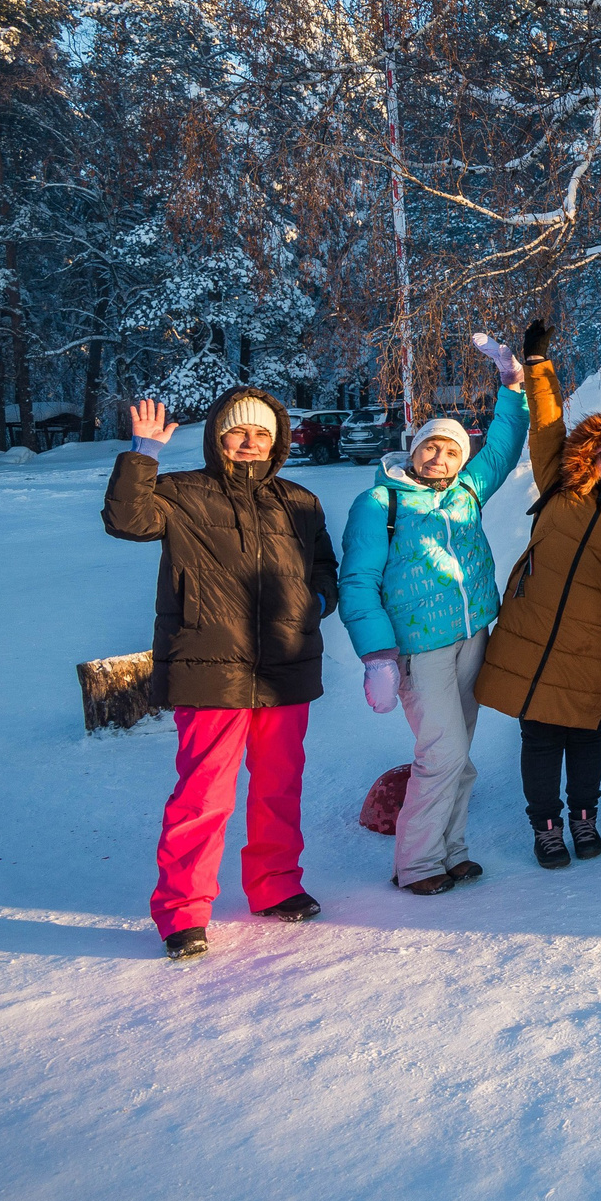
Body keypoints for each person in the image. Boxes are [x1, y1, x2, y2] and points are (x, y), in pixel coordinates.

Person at [104, 387, 339, 962]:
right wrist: (144, 454)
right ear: (218, 437)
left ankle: (275, 885)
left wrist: (311, 604)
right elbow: (126, 520)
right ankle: (183, 911)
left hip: (285, 668)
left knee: (279, 787)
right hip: (210, 664)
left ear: (277, 439)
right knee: (203, 796)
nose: (249, 442)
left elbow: (324, 570)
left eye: (261, 433)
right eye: (238, 431)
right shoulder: (182, 493)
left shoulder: (300, 501)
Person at [339, 330, 533, 896]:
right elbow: (358, 581)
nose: (441, 455)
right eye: (432, 445)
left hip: (473, 636)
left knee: (459, 754)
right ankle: (417, 864)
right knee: (441, 753)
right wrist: (377, 654)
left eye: (452, 449)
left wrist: (511, 386)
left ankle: (452, 851)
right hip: (417, 648)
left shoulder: (466, 493)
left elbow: (504, 444)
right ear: (414, 447)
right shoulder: (382, 502)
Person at [473, 322, 601, 868]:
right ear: (593, 454)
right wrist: (537, 366)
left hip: (593, 640)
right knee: (537, 735)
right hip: (532, 627)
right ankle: (547, 827)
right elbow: (547, 423)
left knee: (584, 736)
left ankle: (585, 818)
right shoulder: (558, 480)